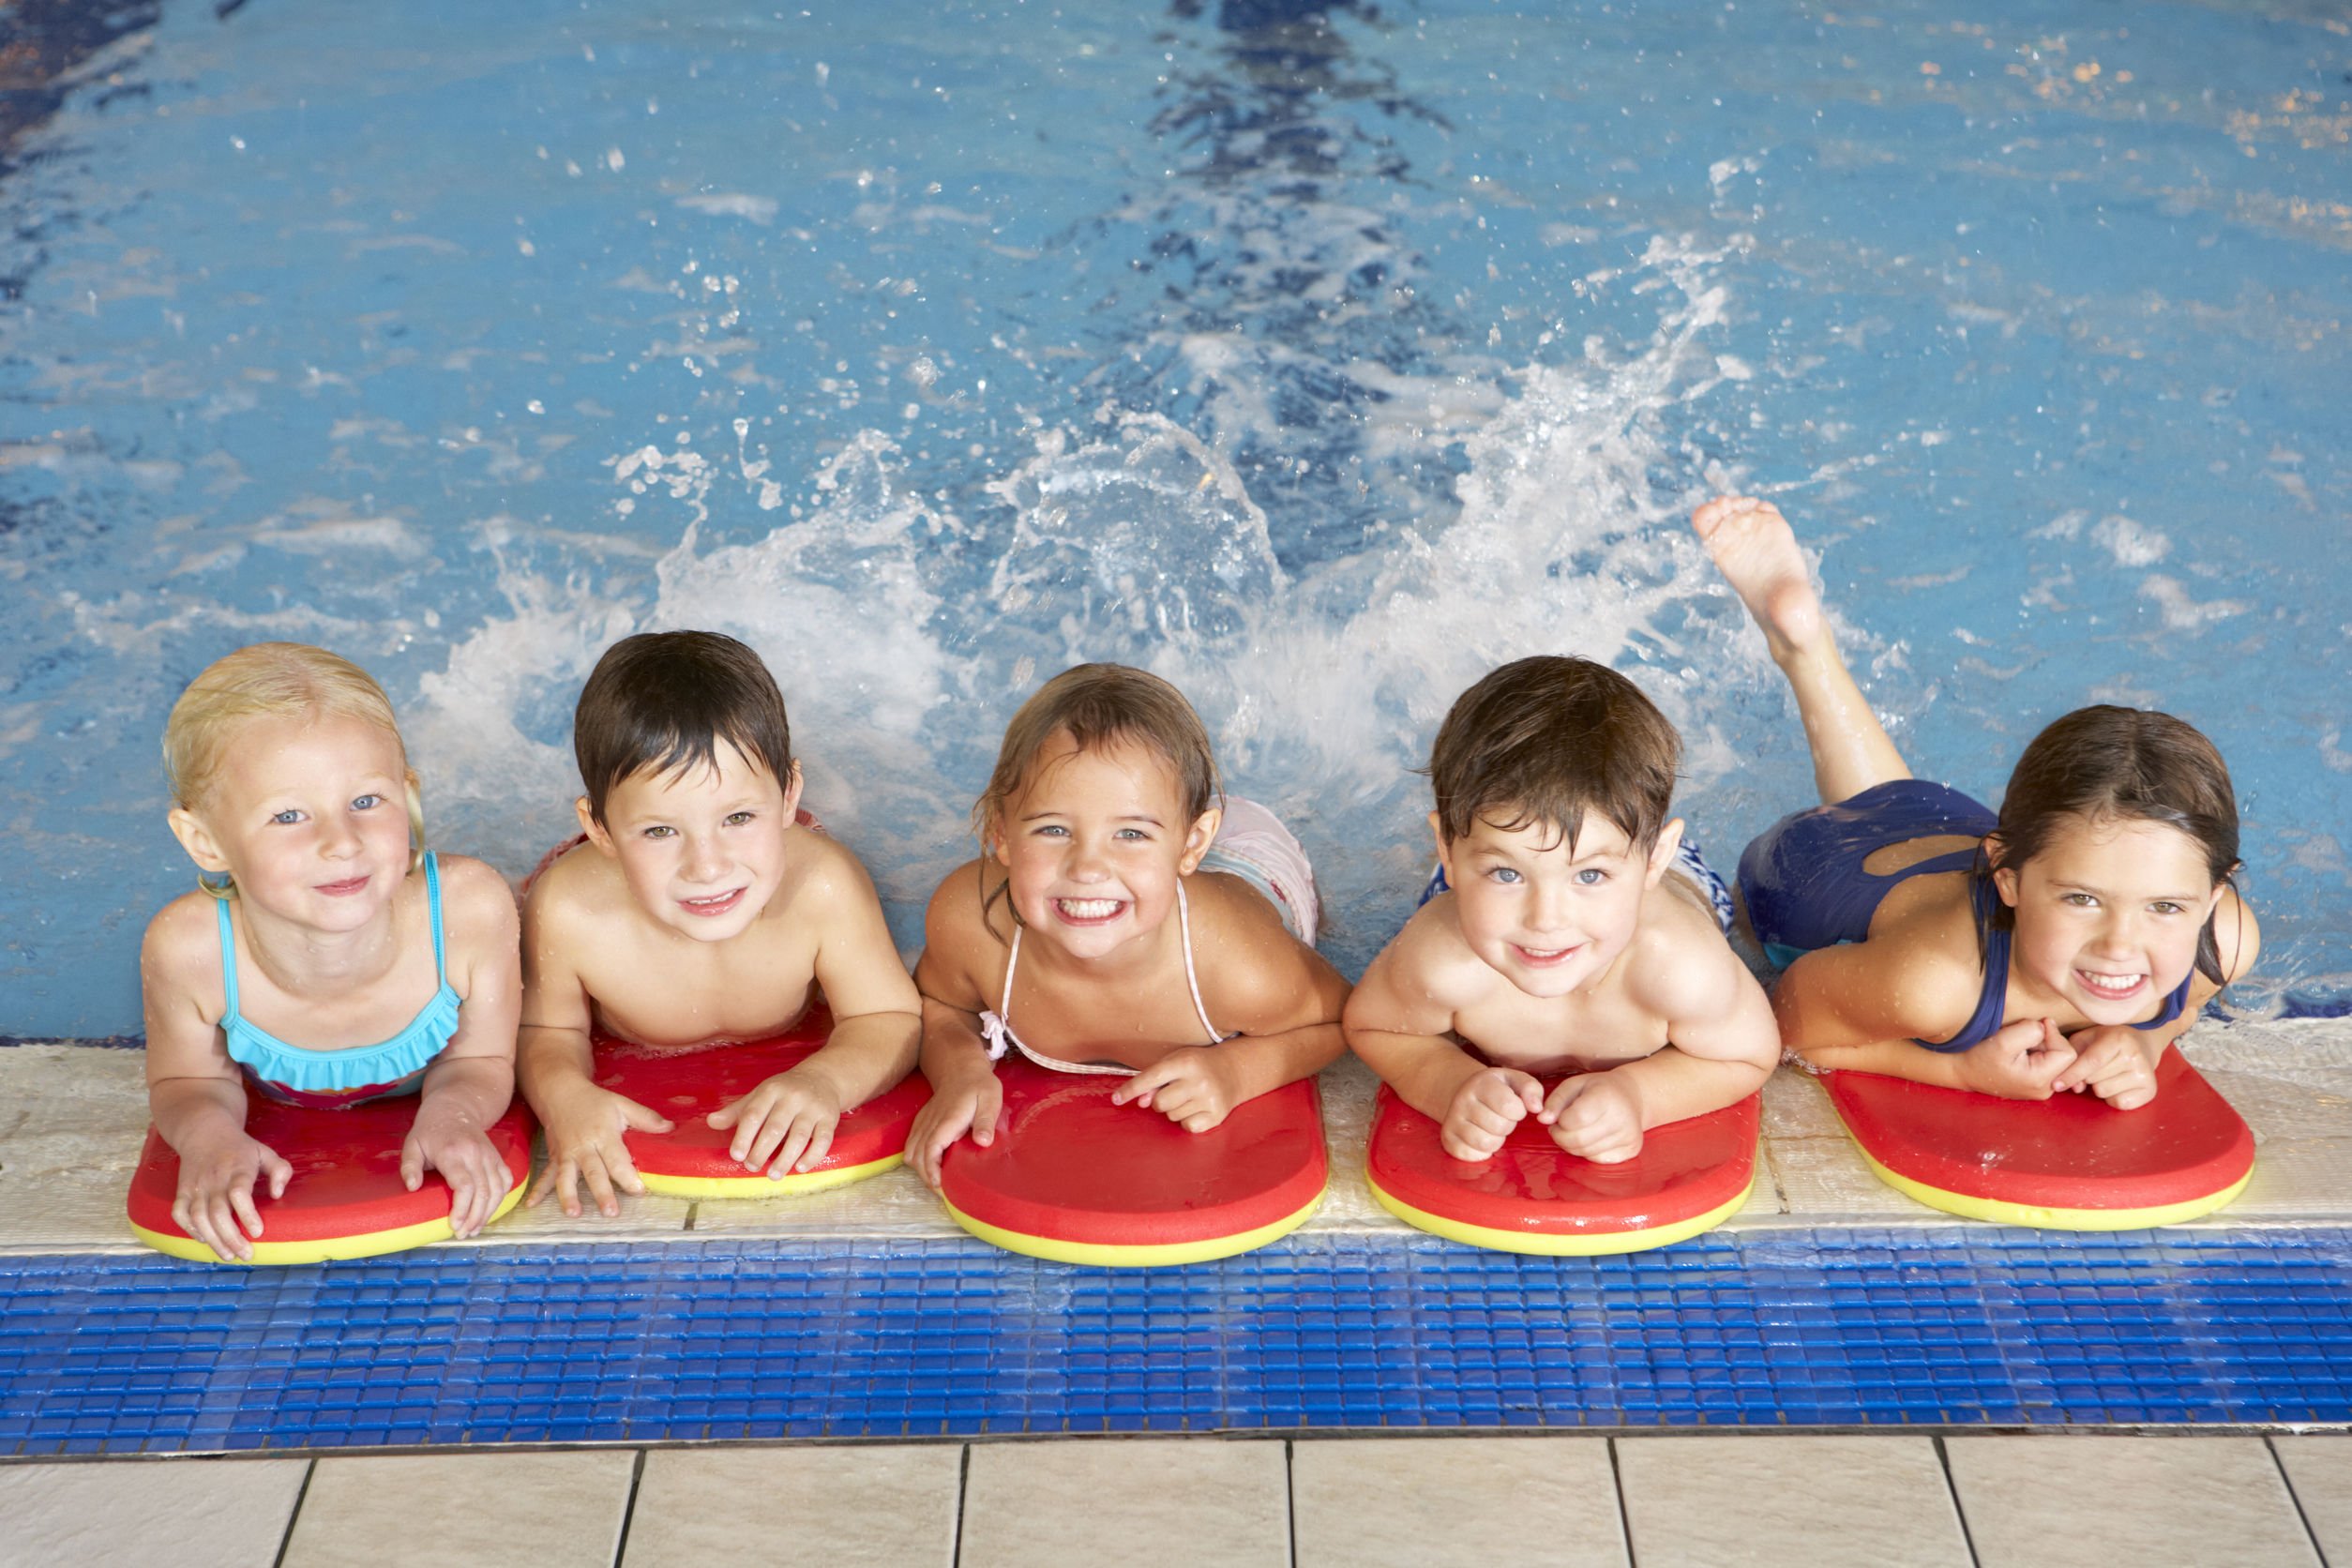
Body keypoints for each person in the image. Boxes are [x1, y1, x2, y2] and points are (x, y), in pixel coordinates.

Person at [1696, 493, 2259, 1108]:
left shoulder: (2223, 941)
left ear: (2214, 895)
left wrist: (2140, 1040)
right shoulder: (1936, 985)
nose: (2119, 944)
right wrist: (1960, 1072)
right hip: (1809, 876)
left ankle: (1805, 643)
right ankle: (1800, 646)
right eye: (2083, 899)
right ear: (2007, 877)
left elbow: (2176, 1011)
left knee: (1889, 799)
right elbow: (1786, 1022)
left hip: (1944, 823)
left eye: (2166, 908)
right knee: (1802, 877)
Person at [518, 631, 921, 1217]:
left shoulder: (822, 886)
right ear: (599, 827)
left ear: (788, 798)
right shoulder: (568, 908)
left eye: (738, 817)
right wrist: (566, 1098)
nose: (706, 867)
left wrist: (826, 1081)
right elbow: (546, 1032)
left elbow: (888, 1015)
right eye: (659, 831)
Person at [140, 643, 521, 1262]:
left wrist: (454, 1117)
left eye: (367, 801)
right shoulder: (192, 952)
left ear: (410, 798)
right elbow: (188, 1079)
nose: (341, 843)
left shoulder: (467, 912)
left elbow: (481, 1057)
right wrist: (210, 1140)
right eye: (289, 815)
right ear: (205, 841)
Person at [907, 663, 1349, 1186]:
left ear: (1192, 844)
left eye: (1129, 834)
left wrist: (1239, 1071)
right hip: (1160, 852)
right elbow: (940, 1003)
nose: (1087, 868)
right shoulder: (973, 922)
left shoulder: (1238, 967)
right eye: (1053, 829)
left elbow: (1346, 1019)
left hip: (1255, 870)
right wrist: (961, 1067)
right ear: (1000, 833)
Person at [1344, 656, 1778, 1164]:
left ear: (1654, 858)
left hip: (1670, 881)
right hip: (1518, 861)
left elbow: (1749, 1054)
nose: (1545, 919)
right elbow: (1373, 1026)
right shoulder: (1443, 956)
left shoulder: (1680, 968)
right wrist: (1447, 1082)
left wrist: (1641, 1097)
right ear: (1445, 849)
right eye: (1508, 875)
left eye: (1588, 877)